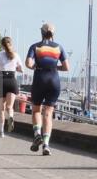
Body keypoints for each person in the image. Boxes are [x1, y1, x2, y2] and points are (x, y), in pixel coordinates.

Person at [25, 22, 69, 156]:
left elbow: (28, 63)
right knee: (48, 113)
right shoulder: (59, 47)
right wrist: (55, 67)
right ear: (53, 34)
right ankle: (46, 145)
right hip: (54, 81)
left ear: (41, 33)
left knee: (36, 110)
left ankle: (37, 134)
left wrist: (36, 67)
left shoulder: (35, 46)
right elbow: (67, 67)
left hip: (40, 79)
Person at [0, 36, 23, 137]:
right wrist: (15, 67)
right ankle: (10, 116)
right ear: (11, 44)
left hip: (1, 80)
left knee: (1, 108)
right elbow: (21, 69)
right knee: (9, 107)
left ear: (2, 45)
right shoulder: (16, 55)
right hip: (11, 80)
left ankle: (1, 131)